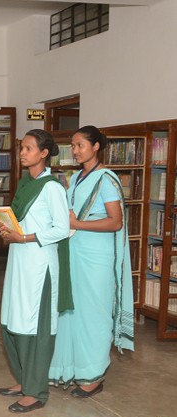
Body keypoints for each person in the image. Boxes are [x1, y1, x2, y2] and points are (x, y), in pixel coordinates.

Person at [49, 125, 134, 397]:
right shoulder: (76, 179)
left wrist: (78, 223)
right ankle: (73, 368)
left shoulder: (106, 180)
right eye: (72, 146)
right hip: (75, 252)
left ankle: (93, 375)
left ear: (95, 146)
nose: (74, 151)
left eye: (79, 145)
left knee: (94, 314)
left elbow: (115, 222)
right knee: (72, 313)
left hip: (96, 256)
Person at [0, 130, 71, 413]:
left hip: (40, 263)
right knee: (13, 319)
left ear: (43, 153)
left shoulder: (52, 187)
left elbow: (61, 229)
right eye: (21, 148)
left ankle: (36, 391)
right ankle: (24, 379)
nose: (22, 152)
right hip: (19, 259)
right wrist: (9, 230)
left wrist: (25, 237)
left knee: (36, 326)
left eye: (28, 148)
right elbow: (24, 221)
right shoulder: (26, 183)